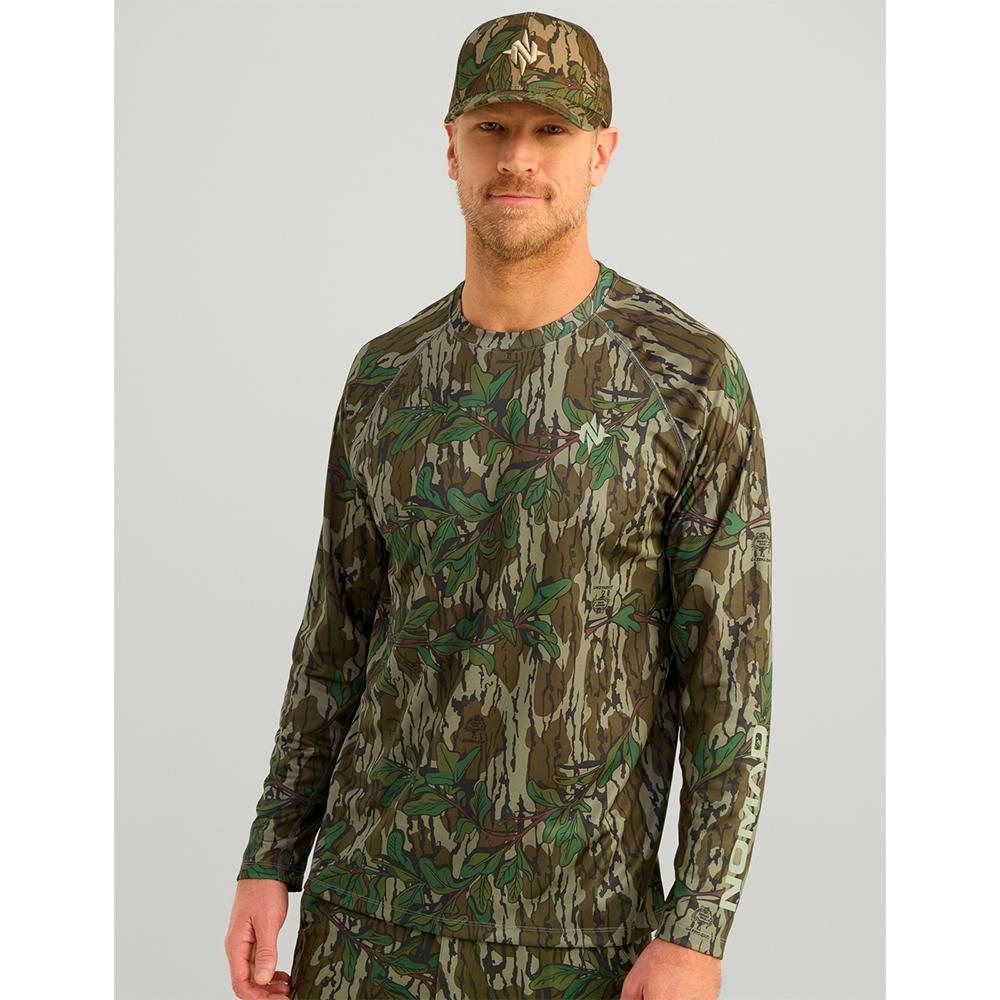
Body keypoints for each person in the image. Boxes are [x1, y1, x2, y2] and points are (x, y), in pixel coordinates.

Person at [224, 10, 772, 1000]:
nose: (518, 157)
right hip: (366, 922)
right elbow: (334, 640)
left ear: (602, 152)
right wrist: (270, 857)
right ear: (451, 148)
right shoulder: (385, 376)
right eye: (492, 128)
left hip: (577, 940)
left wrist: (698, 926)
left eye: (551, 130)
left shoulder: (687, 379)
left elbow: (729, 683)